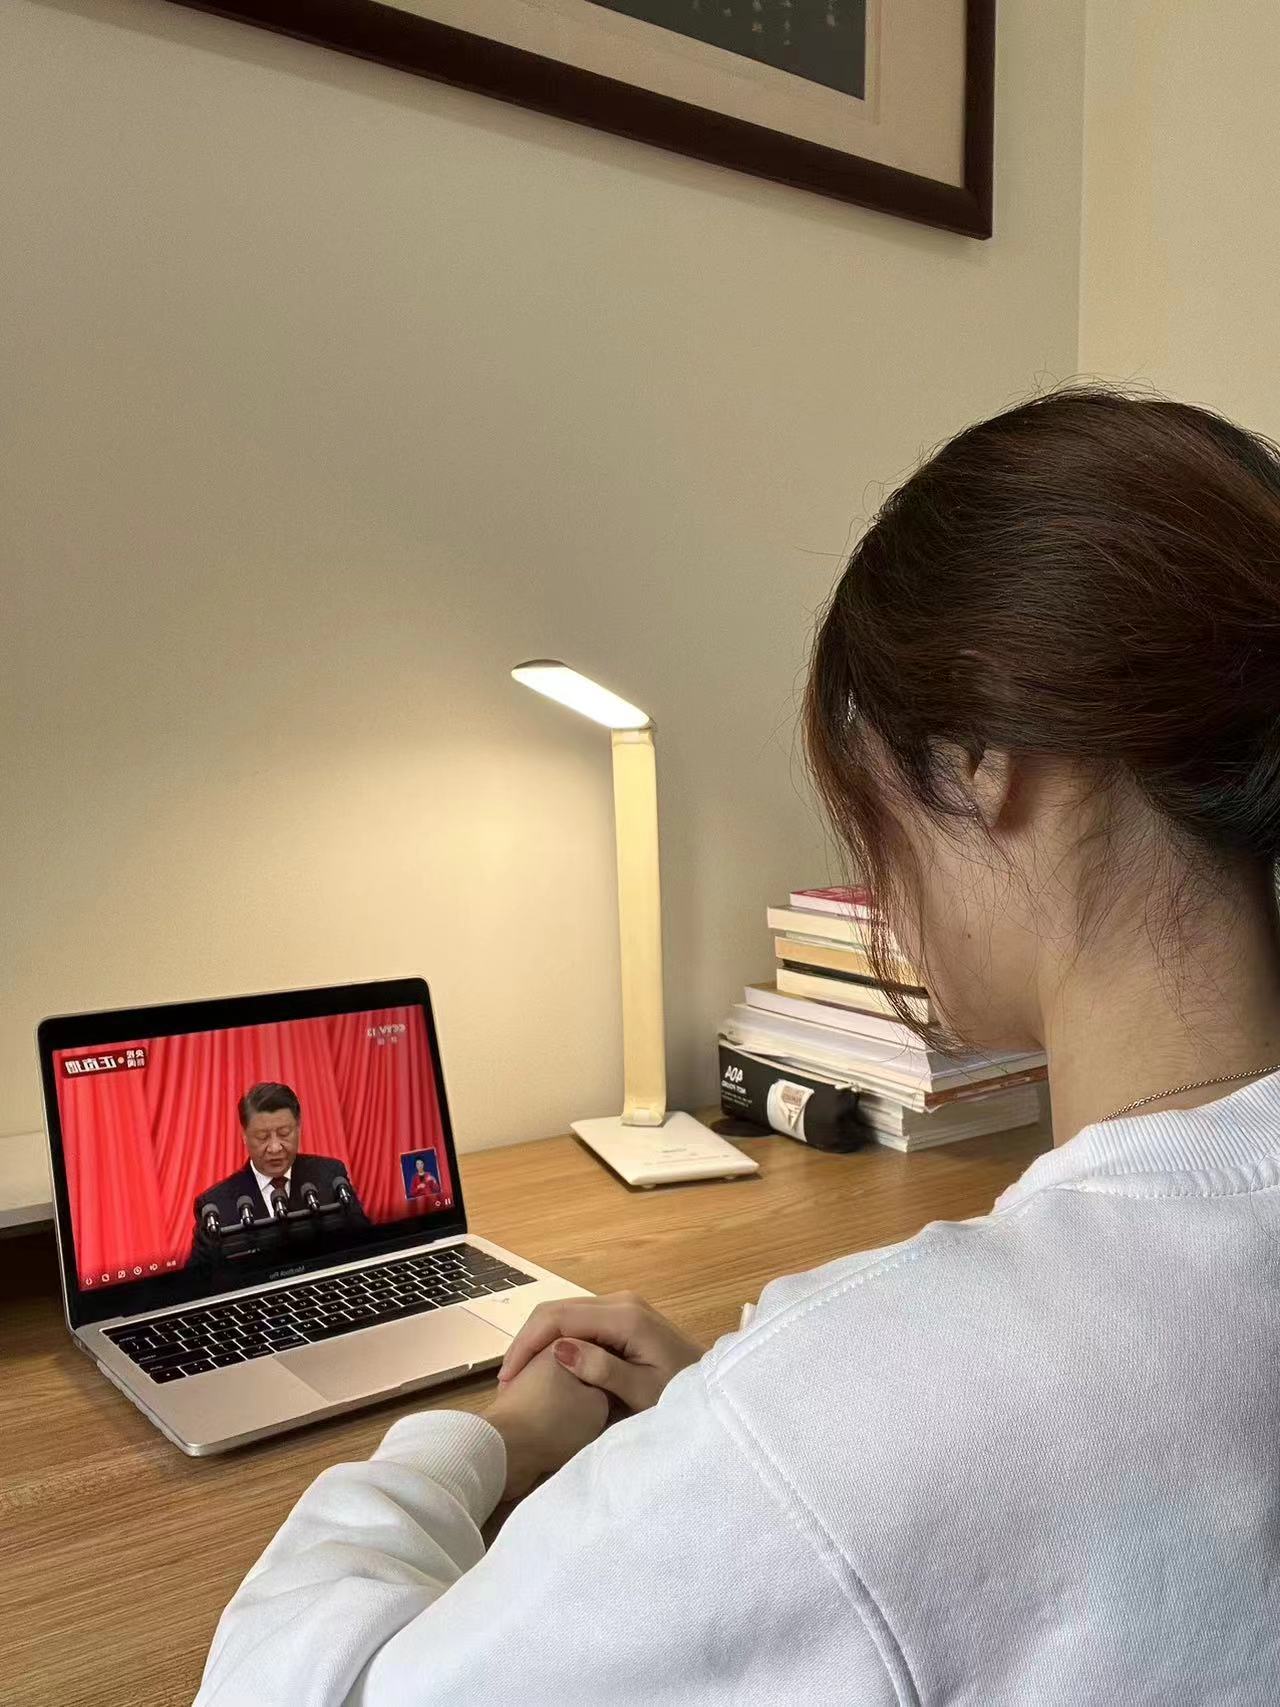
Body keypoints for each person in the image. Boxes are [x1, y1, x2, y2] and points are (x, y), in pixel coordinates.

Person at [195, 389, 1280, 1704]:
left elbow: (297, 1686)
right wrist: (735, 1428)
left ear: (983, 757)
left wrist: (487, 1442)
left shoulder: (861, 1408)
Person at [189, 1082, 368, 1265]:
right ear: (244, 1135)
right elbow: (199, 1277)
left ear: (298, 1128)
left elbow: (366, 1245)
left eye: (284, 1133)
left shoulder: (330, 1176)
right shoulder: (216, 1206)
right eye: (262, 1137)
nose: (275, 1148)